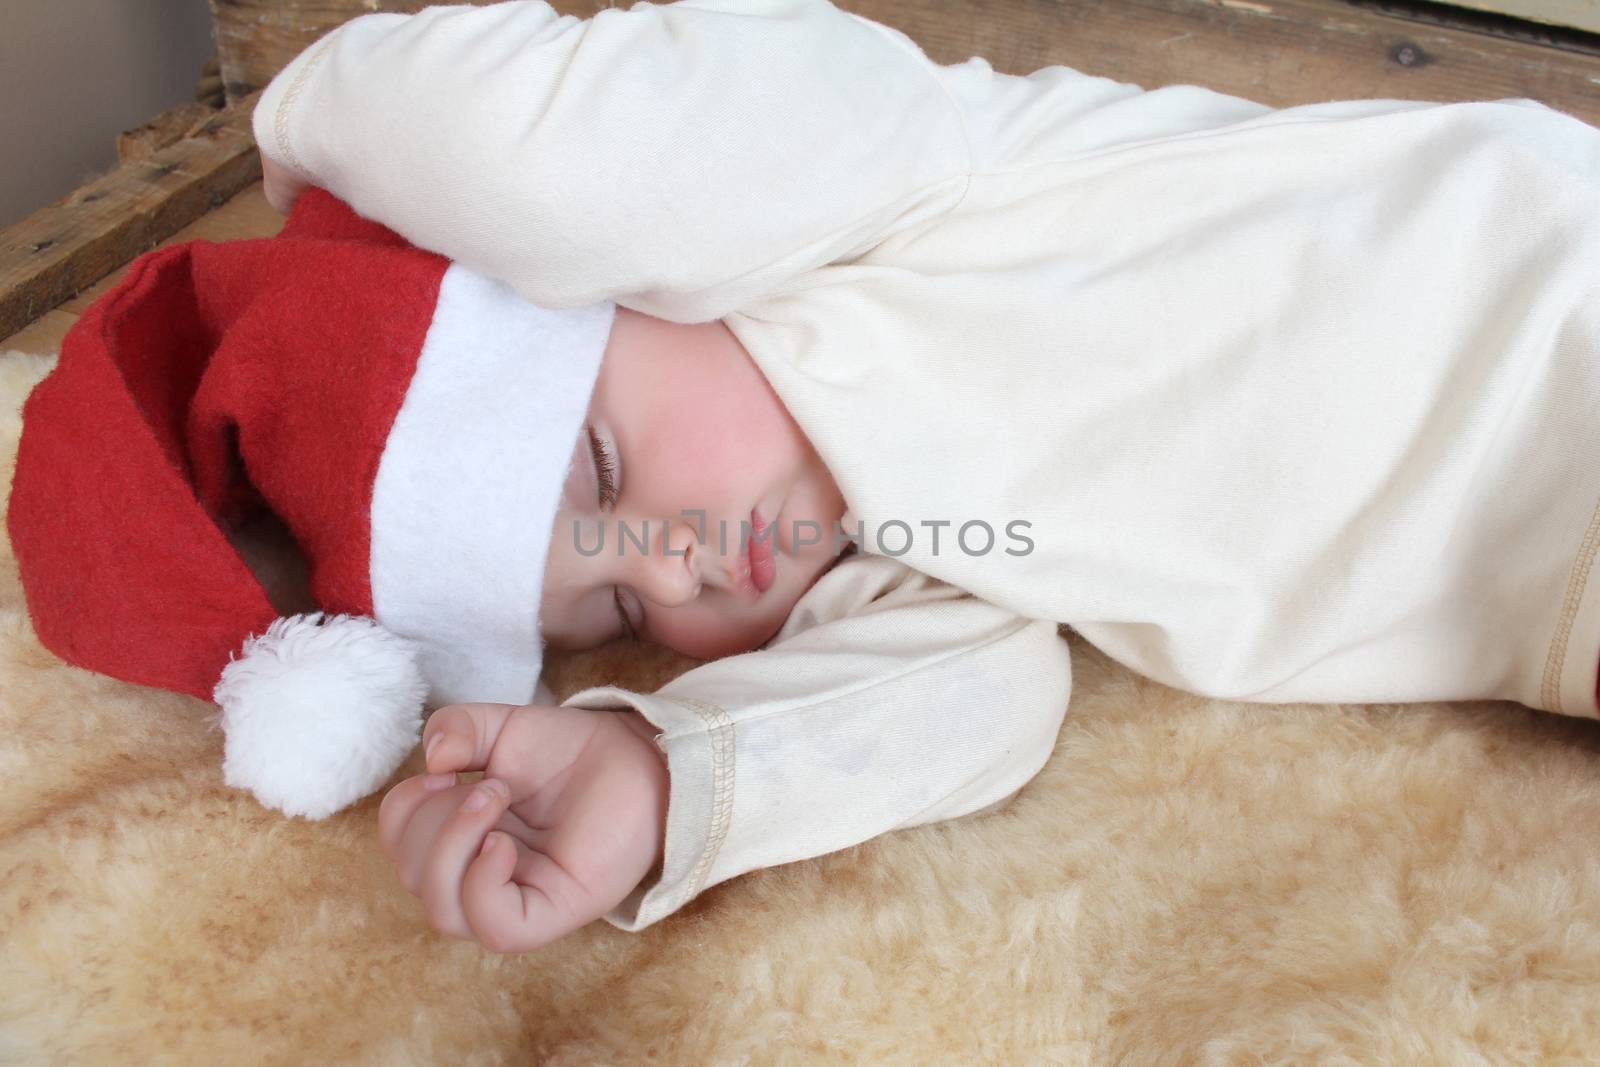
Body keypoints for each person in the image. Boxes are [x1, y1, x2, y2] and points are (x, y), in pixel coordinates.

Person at [251, 0, 1600, 952]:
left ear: (628, 272)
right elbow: (970, 702)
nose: (677, 565)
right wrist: (662, 769)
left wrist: (310, 120)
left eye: (601, 468)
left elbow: (533, 152)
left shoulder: (887, 185)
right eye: (619, 615)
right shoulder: (906, 554)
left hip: (1546, 319)